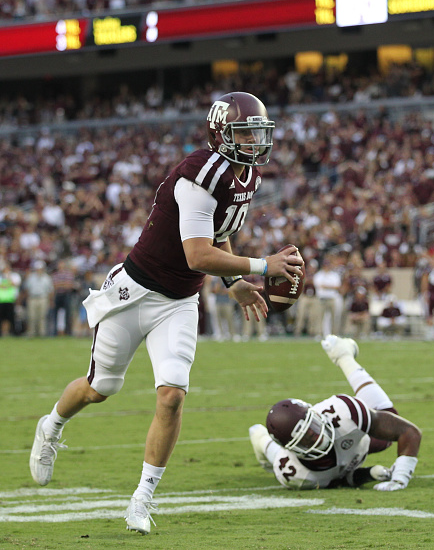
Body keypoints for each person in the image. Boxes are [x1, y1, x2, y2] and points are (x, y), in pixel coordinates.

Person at [29, 92, 304, 535]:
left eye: (258, 131)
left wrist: (234, 285)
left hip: (178, 301)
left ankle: (142, 498)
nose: (254, 140)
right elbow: (198, 254)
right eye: (245, 132)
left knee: (172, 394)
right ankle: (53, 424)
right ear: (221, 135)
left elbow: (220, 233)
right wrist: (260, 266)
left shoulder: (245, 175)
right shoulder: (198, 176)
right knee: (100, 387)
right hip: (134, 292)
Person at [249, 335, 421, 491]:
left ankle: (343, 355)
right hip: (294, 459)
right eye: (306, 440)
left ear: (315, 415)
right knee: (268, 447)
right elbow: (338, 481)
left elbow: (409, 432)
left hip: (353, 445)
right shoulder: (293, 473)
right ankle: (259, 437)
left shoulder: (343, 412)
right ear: (292, 449)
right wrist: (370, 474)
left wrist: (400, 478)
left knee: (387, 431)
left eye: (314, 428)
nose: (317, 437)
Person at [22, 260, 54, 337]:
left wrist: (50, 300)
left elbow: (50, 290)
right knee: (31, 316)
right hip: (32, 298)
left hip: (43, 298)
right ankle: (31, 332)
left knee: (42, 316)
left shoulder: (47, 278)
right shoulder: (31, 277)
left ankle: (42, 333)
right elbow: (26, 289)